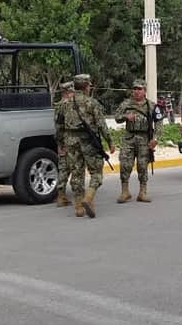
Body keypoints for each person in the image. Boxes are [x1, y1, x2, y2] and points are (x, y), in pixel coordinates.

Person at [63, 73, 114, 218]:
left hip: (71, 141)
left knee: (77, 173)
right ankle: (88, 197)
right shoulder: (92, 103)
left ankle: (79, 207)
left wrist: (61, 142)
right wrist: (109, 142)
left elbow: (59, 124)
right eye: (89, 84)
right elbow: (101, 125)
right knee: (96, 173)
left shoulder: (65, 103)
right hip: (89, 142)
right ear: (86, 86)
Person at [114, 79, 158, 203]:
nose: (137, 91)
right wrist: (125, 116)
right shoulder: (126, 104)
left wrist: (155, 139)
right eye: (135, 89)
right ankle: (125, 192)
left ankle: (142, 192)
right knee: (124, 164)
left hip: (145, 139)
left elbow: (159, 123)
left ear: (145, 91)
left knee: (142, 166)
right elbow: (117, 117)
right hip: (129, 138)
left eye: (139, 89)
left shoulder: (151, 106)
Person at [53, 80, 75, 208]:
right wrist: (62, 144)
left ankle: (61, 196)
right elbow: (59, 127)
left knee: (64, 169)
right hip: (67, 141)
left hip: (64, 141)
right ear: (68, 92)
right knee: (71, 167)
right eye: (72, 92)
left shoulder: (59, 105)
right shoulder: (65, 106)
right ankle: (64, 195)